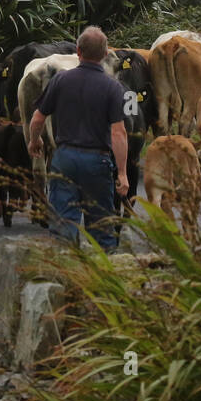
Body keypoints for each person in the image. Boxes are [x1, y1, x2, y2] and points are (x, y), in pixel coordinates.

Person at [27, 25, 127, 251]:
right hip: (97, 161)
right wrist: (122, 172)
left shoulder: (60, 80)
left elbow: (37, 118)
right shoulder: (113, 87)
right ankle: (101, 277)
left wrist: (35, 141)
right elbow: (118, 133)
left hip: (64, 158)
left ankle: (64, 277)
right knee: (101, 226)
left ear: (78, 52)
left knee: (63, 225)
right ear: (104, 54)